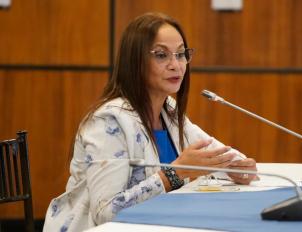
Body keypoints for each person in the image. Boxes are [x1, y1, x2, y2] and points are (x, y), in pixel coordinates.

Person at [43, 12, 257, 232]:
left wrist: (238, 167)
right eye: (161, 55)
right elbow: (106, 212)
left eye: (181, 54)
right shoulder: (108, 121)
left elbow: (216, 155)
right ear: (135, 62)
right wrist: (175, 174)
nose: (176, 65)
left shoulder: (169, 110)